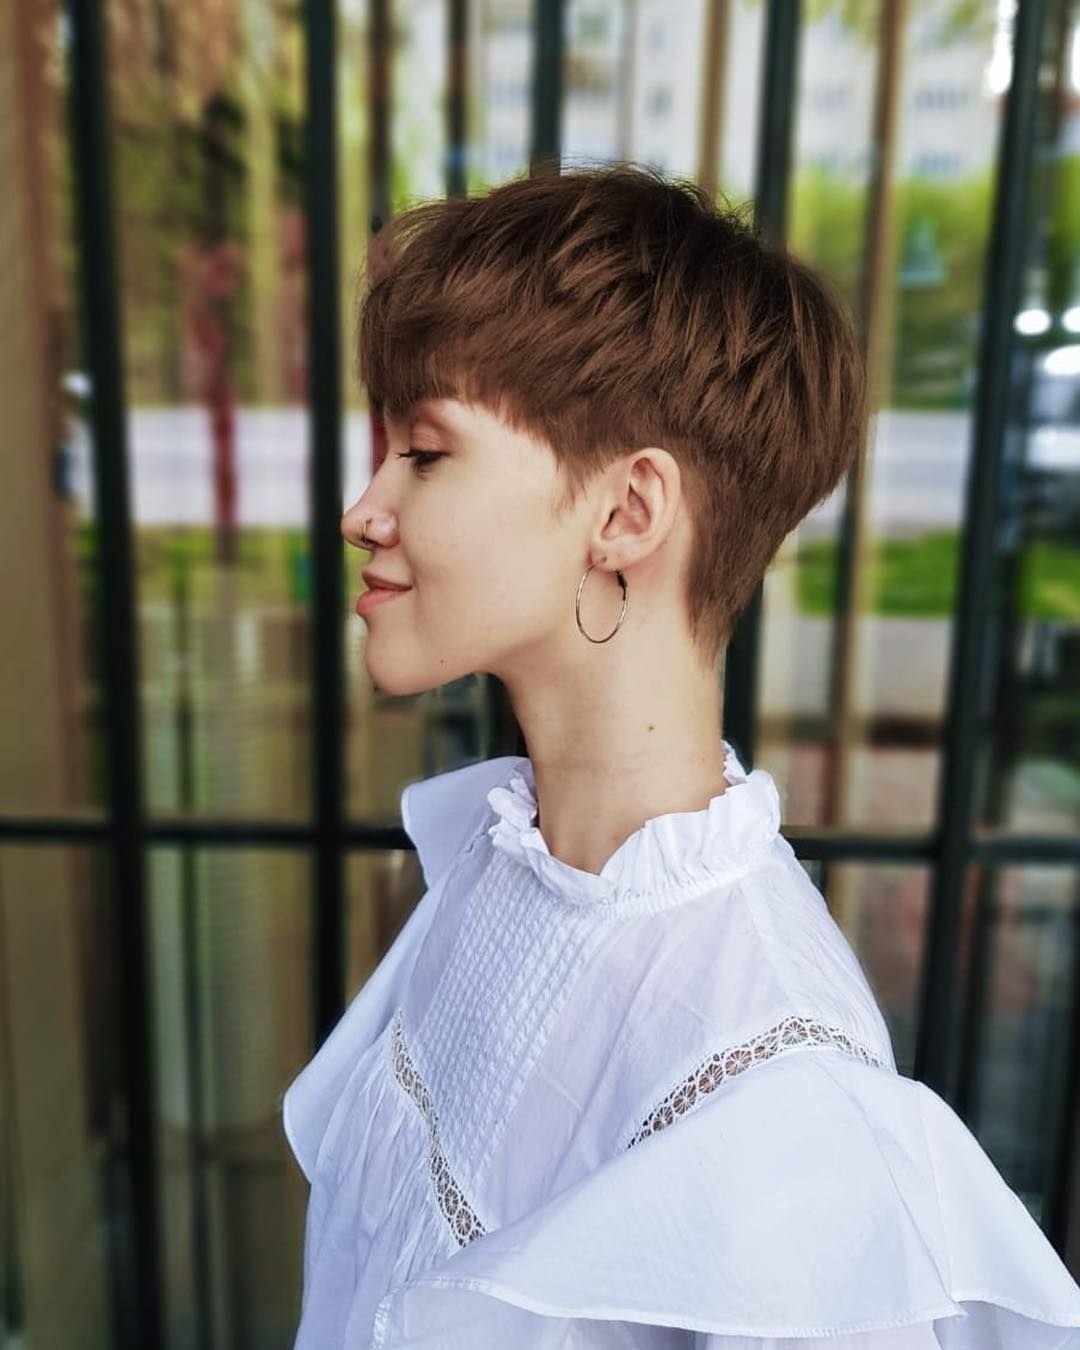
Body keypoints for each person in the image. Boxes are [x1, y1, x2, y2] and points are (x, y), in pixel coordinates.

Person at [282, 164, 1080, 1348]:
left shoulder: (779, 1099)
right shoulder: (504, 864)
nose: (364, 510)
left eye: (427, 452)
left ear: (626, 514)